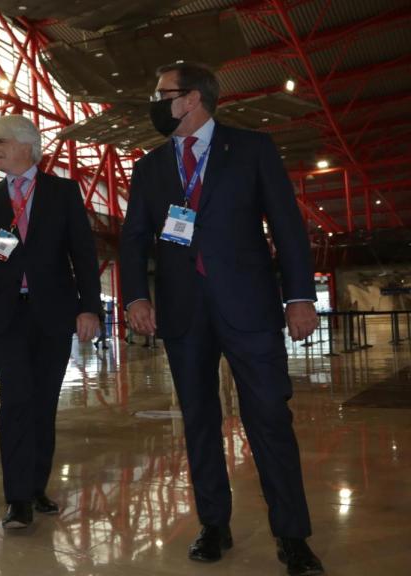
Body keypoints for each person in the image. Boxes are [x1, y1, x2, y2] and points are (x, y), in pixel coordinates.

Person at [120, 62, 323, 576]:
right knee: (199, 421)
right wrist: (135, 297)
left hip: (249, 305)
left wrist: (299, 296)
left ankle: (293, 534)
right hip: (184, 311)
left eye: (162, 93)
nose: (156, 101)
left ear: (191, 99)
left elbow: (286, 226)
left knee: (270, 419)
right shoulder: (150, 168)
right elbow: (134, 239)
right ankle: (214, 523)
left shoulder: (251, 149)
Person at [0, 114, 101, 530]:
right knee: (17, 401)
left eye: (1, 142)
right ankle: (18, 498)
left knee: (43, 403)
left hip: (53, 314)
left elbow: (83, 254)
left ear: (27, 145)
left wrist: (89, 306)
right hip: (5, 318)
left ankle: (37, 484)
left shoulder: (63, 192)